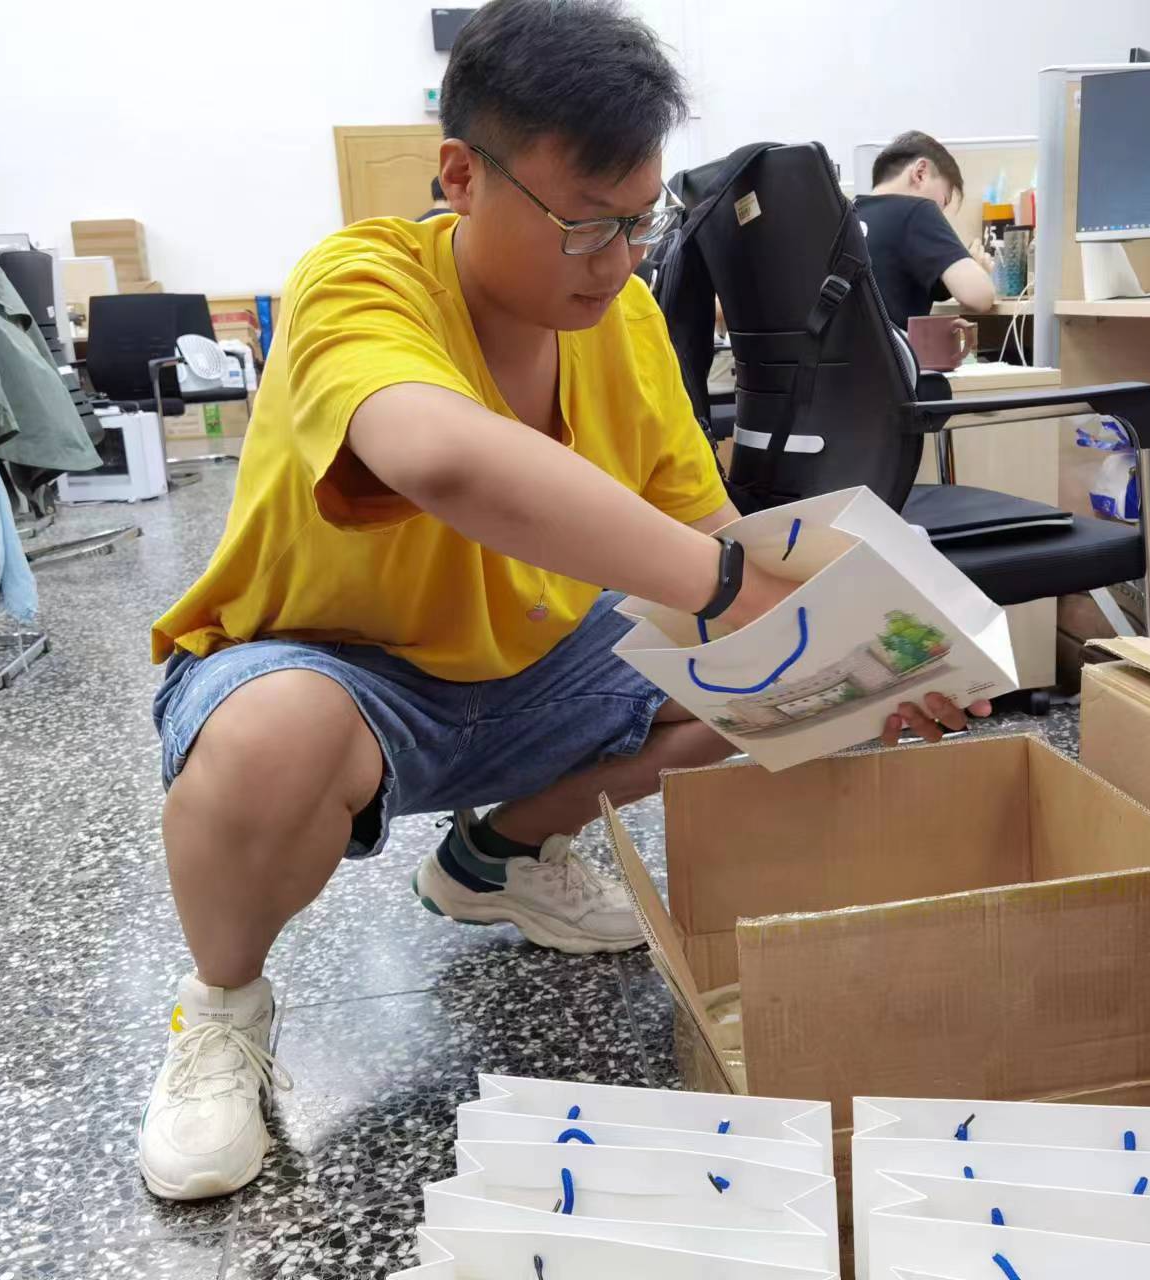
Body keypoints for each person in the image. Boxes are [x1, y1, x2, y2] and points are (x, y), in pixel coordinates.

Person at [140, 0, 986, 1202]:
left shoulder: (621, 317)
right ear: (460, 177)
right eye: (585, 224)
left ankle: (496, 855)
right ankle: (222, 1009)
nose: (620, 259)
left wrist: (875, 658)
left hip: (534, 666)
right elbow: (440, 457)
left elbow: (708, 529)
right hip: (337, 669)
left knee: (768, 690)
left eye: (640, 222)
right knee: (273, 732)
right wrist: (731, 586)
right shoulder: (358, 280)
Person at [855, 131, 996, 326]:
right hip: (892, 347)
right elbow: (979, 298)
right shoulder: (917, 210)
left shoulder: (846, 216)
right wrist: (978, 269)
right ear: (920, 173)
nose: (941, 212)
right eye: (944, 201)